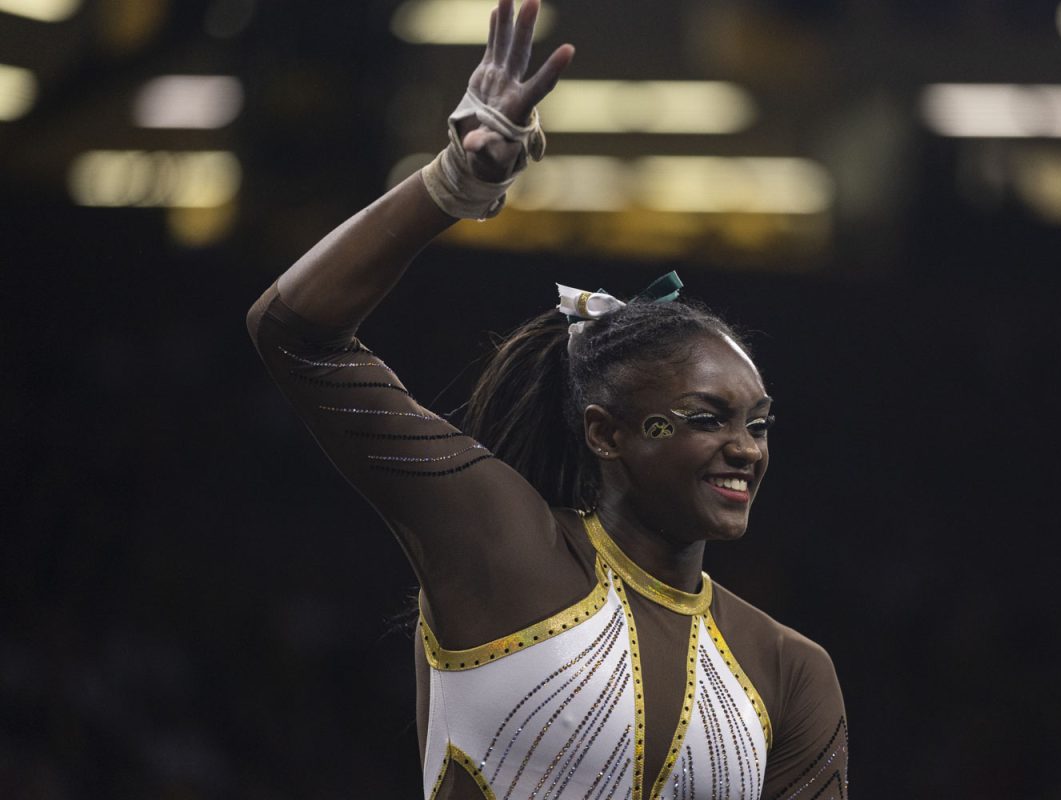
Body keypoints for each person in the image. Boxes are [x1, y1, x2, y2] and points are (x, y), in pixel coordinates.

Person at [247, 1, 847, 797]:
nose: (747, 447)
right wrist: (449, 184)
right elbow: (294, 333)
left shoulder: (789, 669)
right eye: (708, 418)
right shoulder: (499, 547)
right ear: (606, 433)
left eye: (759, 423)